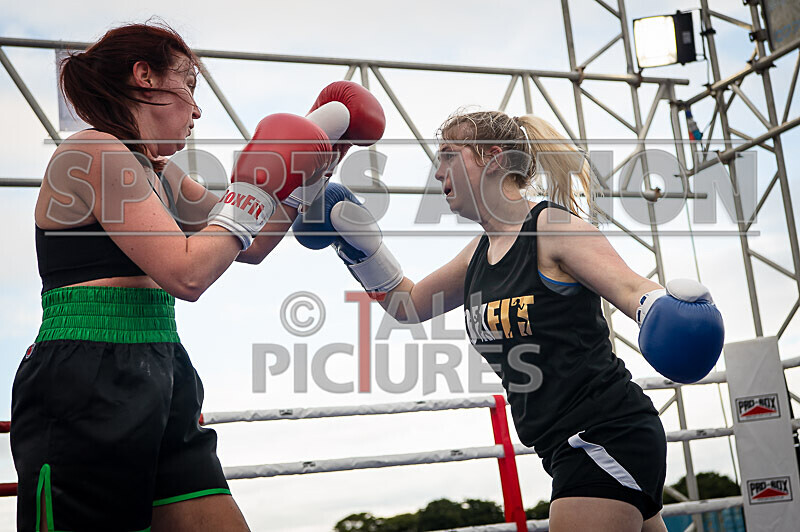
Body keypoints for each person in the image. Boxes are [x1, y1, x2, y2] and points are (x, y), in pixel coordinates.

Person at [11, 21, 385, 532]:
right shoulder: (90, 152)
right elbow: (186, 274)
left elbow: (253, 244)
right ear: (145, 76)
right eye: (188, 84)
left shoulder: (161, 172)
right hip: (86, 375)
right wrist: (260, 182)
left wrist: (313, 164)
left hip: (162, 367)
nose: (197, 108)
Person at [293, 110, 724, 531]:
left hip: (602, 432)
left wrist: (668, 312)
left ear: (494, 158)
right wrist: (355, 241)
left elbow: (630, 289)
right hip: (562, 445)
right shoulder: (479, 253)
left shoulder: (551, 227)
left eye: (449, 155)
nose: (438, 171)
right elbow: (408, 304)